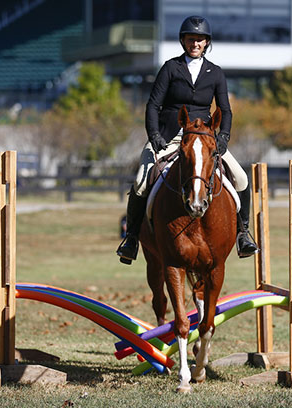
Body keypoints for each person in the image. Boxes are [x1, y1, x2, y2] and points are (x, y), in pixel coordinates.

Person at [116, 15, 259, 264]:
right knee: (140, 181)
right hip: (170, 137)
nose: (195, 43)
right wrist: (155, 137)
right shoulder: (170, 68)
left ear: (206, 43)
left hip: (204, 138)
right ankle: (132, 239)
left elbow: (225, 109)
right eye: (191, 39)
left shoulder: (215, 73)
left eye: (200, 40)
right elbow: (152, 106)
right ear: (183, 41)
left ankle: (243, 234)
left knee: (241, 177)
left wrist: (223, 137)